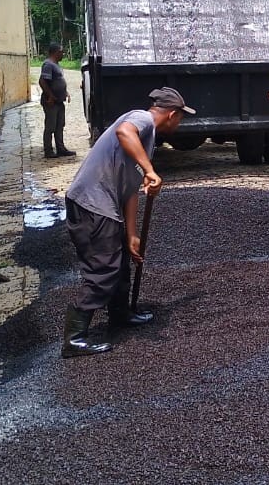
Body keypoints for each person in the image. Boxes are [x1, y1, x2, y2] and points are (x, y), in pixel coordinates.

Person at [60, 87, 195, 358]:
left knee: (120, 260)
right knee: (103, 269)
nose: (180, 122)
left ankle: (120, 313)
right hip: (91, 204)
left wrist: (131, 234)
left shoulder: (147, 138)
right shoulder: (141, 120)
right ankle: (74, 338)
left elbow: (131, 189)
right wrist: (150, 170)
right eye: (181, 117)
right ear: (172, 114)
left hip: (106, 205)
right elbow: (124, 132)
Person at [39, 43, 76, 158]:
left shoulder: (56, 65)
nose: (63, 54)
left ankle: (61, 148)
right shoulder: (48, 64)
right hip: (51, 101)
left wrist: (65, 92)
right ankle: (48, 150)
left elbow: (58, 81)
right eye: (61, 51)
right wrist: (50, 96)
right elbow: (42, 81)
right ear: (55, 52)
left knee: (60, 125)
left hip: (59, 101)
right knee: (50, 126)